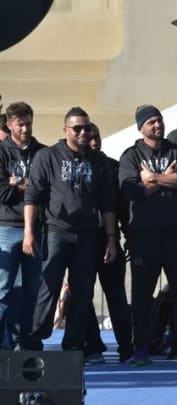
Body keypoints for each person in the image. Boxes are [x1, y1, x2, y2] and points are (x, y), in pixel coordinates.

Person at [23, 107, 117, 353]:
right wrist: (29, 233)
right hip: (56, 232)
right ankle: (34, 339)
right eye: (77, 128)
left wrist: (110, 238)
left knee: (83, 292)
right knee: (48, 287)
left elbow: (108, 203)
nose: (83, 132)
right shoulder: (48, 156)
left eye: (87, 127)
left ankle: (74, 343)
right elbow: (32, 195)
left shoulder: (99, 161)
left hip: (88, 235)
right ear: (65, 130)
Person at [119, 105, 177, 366]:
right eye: (152, 122)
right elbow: (132, 190)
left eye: (160, 120)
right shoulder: (131, 156)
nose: (158, 125)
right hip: (144, 236)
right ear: (141, 127)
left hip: (175, 235)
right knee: (142, 294)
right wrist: (167, 178)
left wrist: (153, 177)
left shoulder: (176, 151)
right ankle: (142, 346)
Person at [72, 123, 134, 364]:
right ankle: (93, 345)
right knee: (83, 296)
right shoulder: (72, 166)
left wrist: (127, 236)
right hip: (81, 241)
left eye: (97, 135)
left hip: (109, 241)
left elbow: (123, 206)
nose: (93, 140)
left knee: (116, 296)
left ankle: (126, 347)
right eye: (89, 136)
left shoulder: (113, 167)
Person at [0, 101, 45, 350]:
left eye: (28, 123)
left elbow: (46, 190)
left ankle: (27, 345)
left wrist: (16, 183)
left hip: (36, 229)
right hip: (6, 228)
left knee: (31, 290)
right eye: (20, 124)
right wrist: (27, 186)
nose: (26, 129)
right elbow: (2, 192)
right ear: (9, 124)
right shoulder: (1, 152)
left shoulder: (42, 153)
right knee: (3, 290)